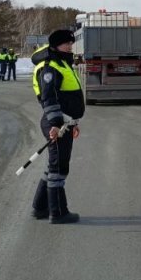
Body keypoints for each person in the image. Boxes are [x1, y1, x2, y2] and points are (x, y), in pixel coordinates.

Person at [29, 29, 86, 224]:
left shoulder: (62, 63)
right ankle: (58, 212)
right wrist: (56, 124)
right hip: (56, 123)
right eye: (66, 44)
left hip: (64, 122)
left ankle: (40, 207)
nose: (70, 46)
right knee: (58, 168)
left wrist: (73, 123)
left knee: (55, 165)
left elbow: (67, 97)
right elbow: (49, 98)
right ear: (56, 45)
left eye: (70, 43)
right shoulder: (50, 67)